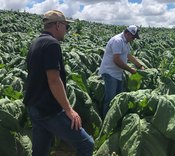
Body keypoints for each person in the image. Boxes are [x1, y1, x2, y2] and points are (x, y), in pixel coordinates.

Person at [23, 10, 94, 156]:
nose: (66, 30)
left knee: (40, 151)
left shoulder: (36, 42)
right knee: (87, 144)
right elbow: (54, 80)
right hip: (48, 109)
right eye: (66, 26)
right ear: (57, 25)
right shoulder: (52, 44)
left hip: (33, 106)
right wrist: (69, 110)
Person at [99, 25, 144, 118]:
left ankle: (115, 118)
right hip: (109, 73)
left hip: (117, 73)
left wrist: (139, 65)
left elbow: (129, 56)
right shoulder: (118, 41)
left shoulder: (125, 42)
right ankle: (105, 121)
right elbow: (117, 60)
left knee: (119, 97)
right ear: (127, 33)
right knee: (110, 99)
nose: (133, 39)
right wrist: (130, 70)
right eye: (133, 37)